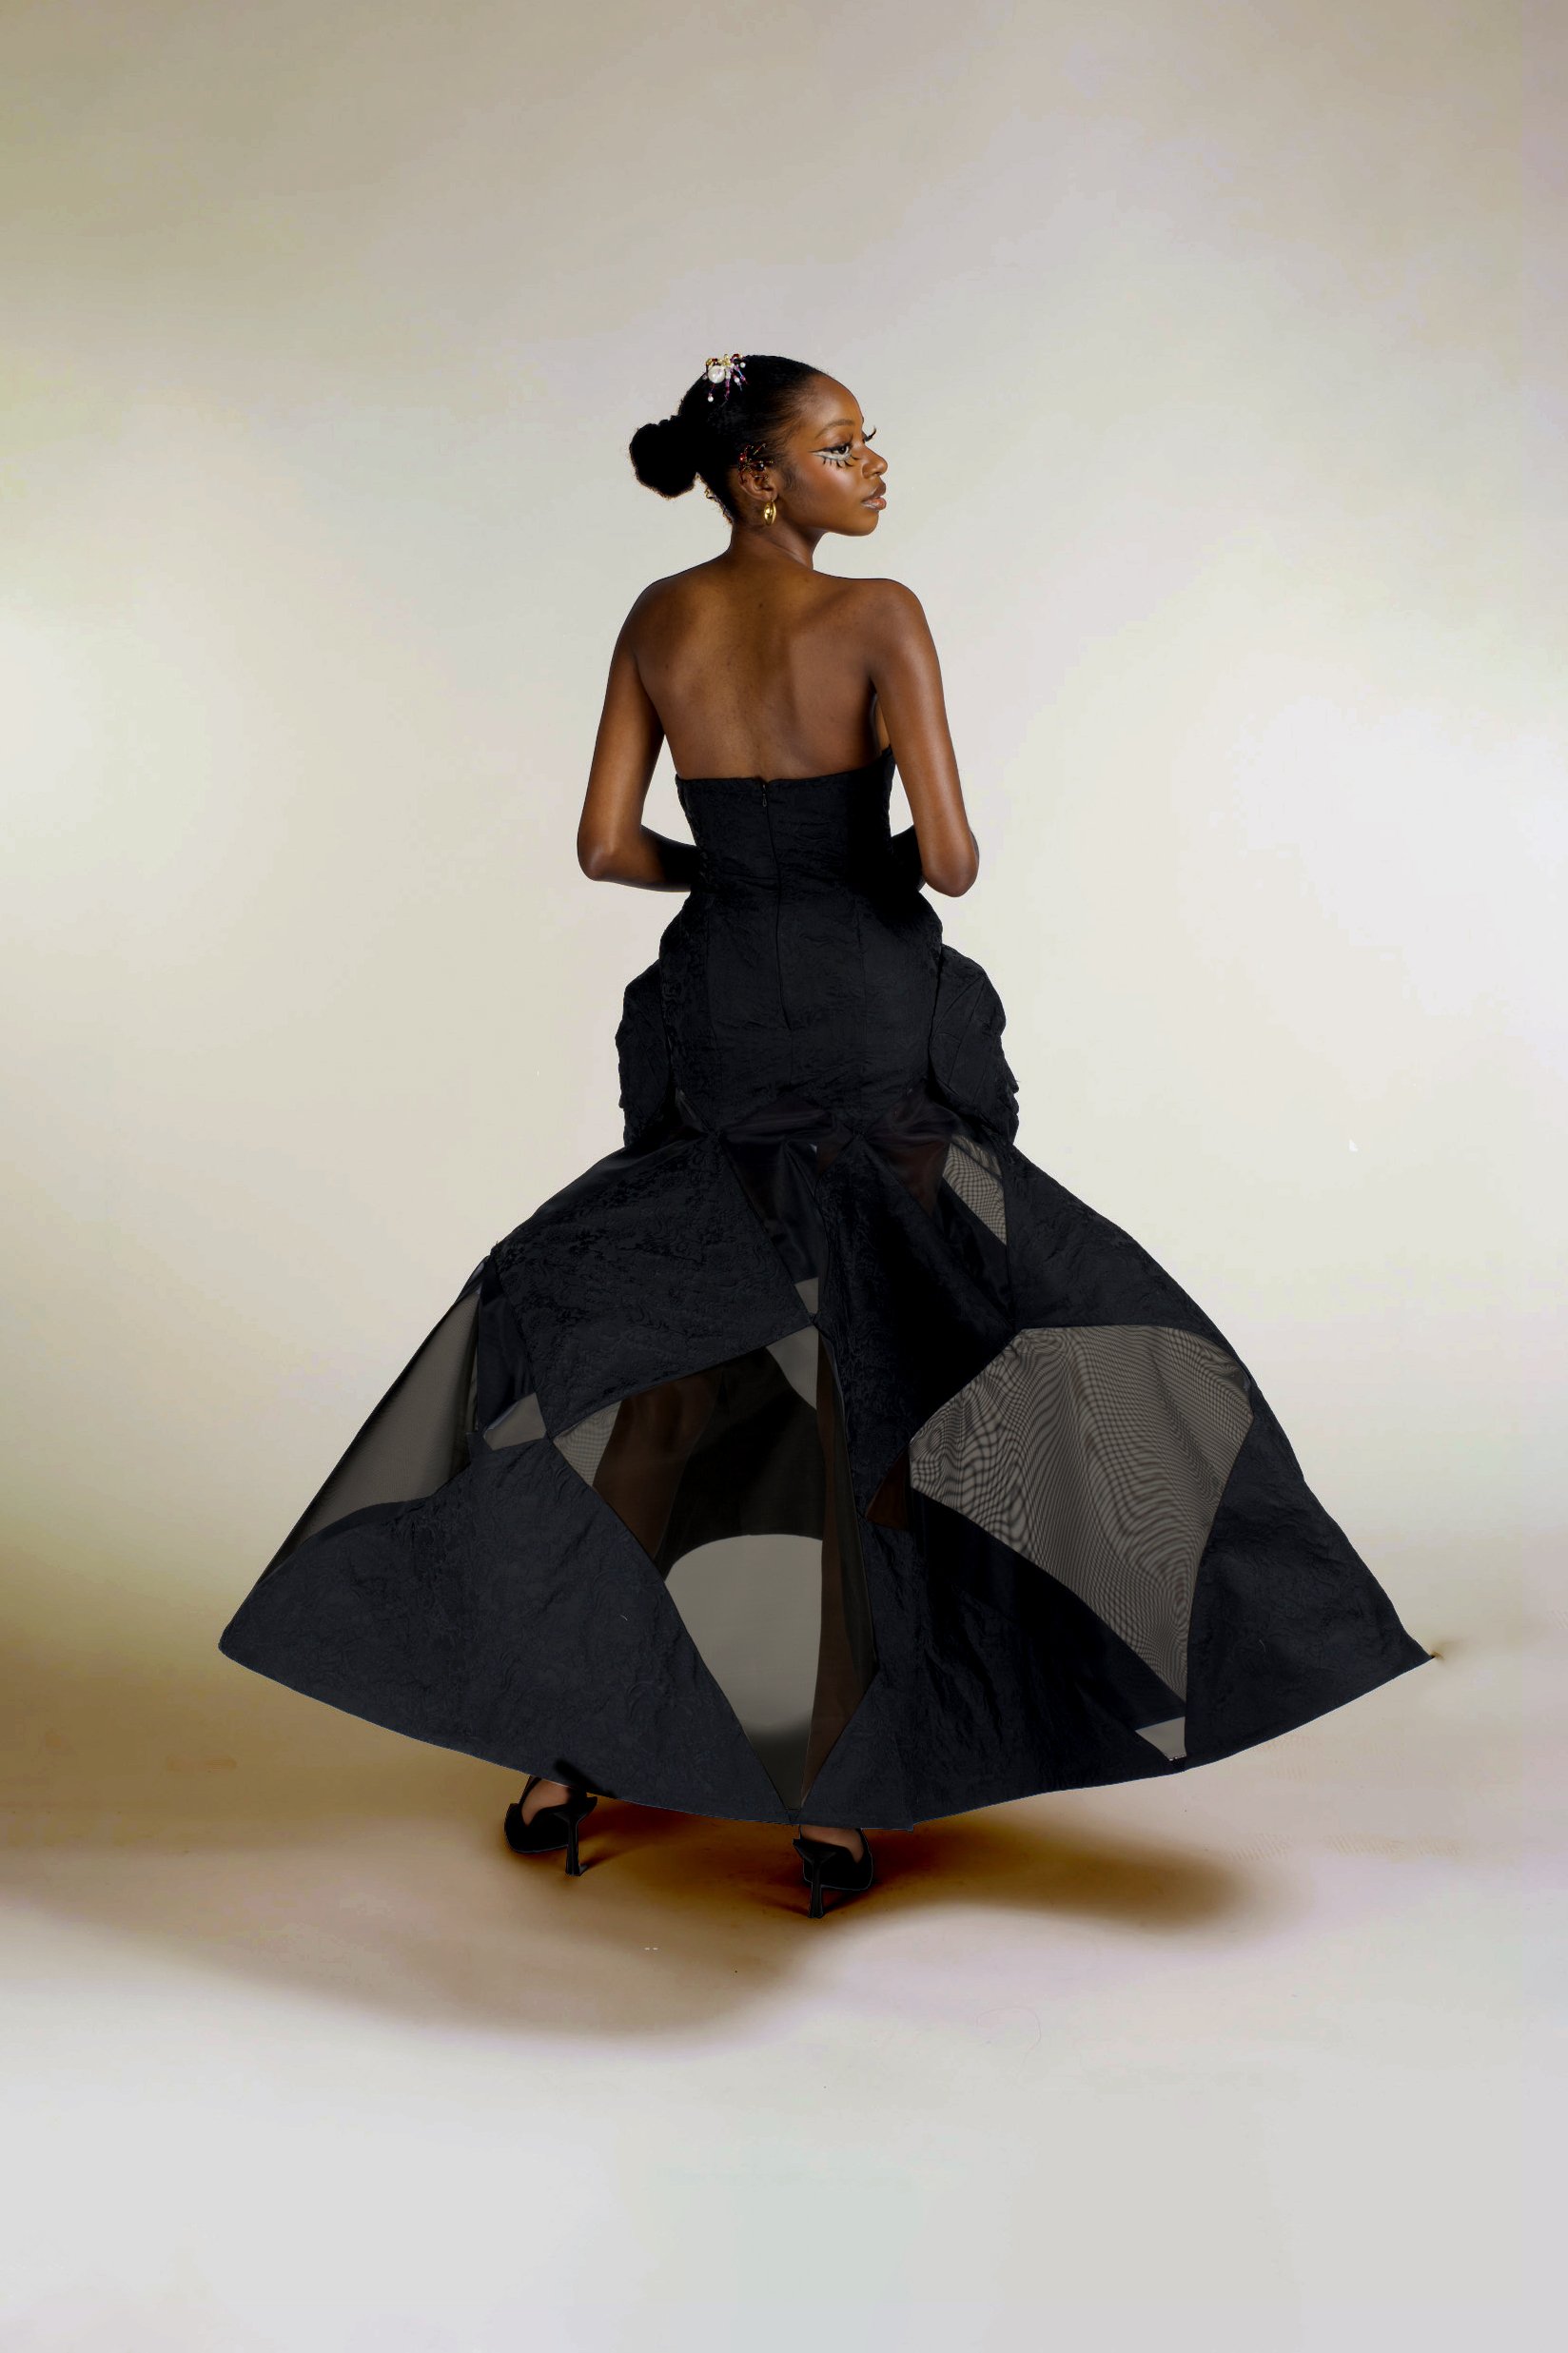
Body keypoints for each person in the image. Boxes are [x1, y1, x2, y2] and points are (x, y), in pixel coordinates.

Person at [220, 350, 1430, 1921]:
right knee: (904, 1342)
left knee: (674, 1336)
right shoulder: (883, 617)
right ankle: (847, 1789)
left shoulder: (658, 620)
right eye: (842, 444)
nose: (876, 464)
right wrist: (838, 860)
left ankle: (568, 1741)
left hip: (723, 1010)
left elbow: (601, 845)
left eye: (870, 438)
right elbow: (951, 855)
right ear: (759, 479)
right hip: (862, 1011)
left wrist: (733, 875)